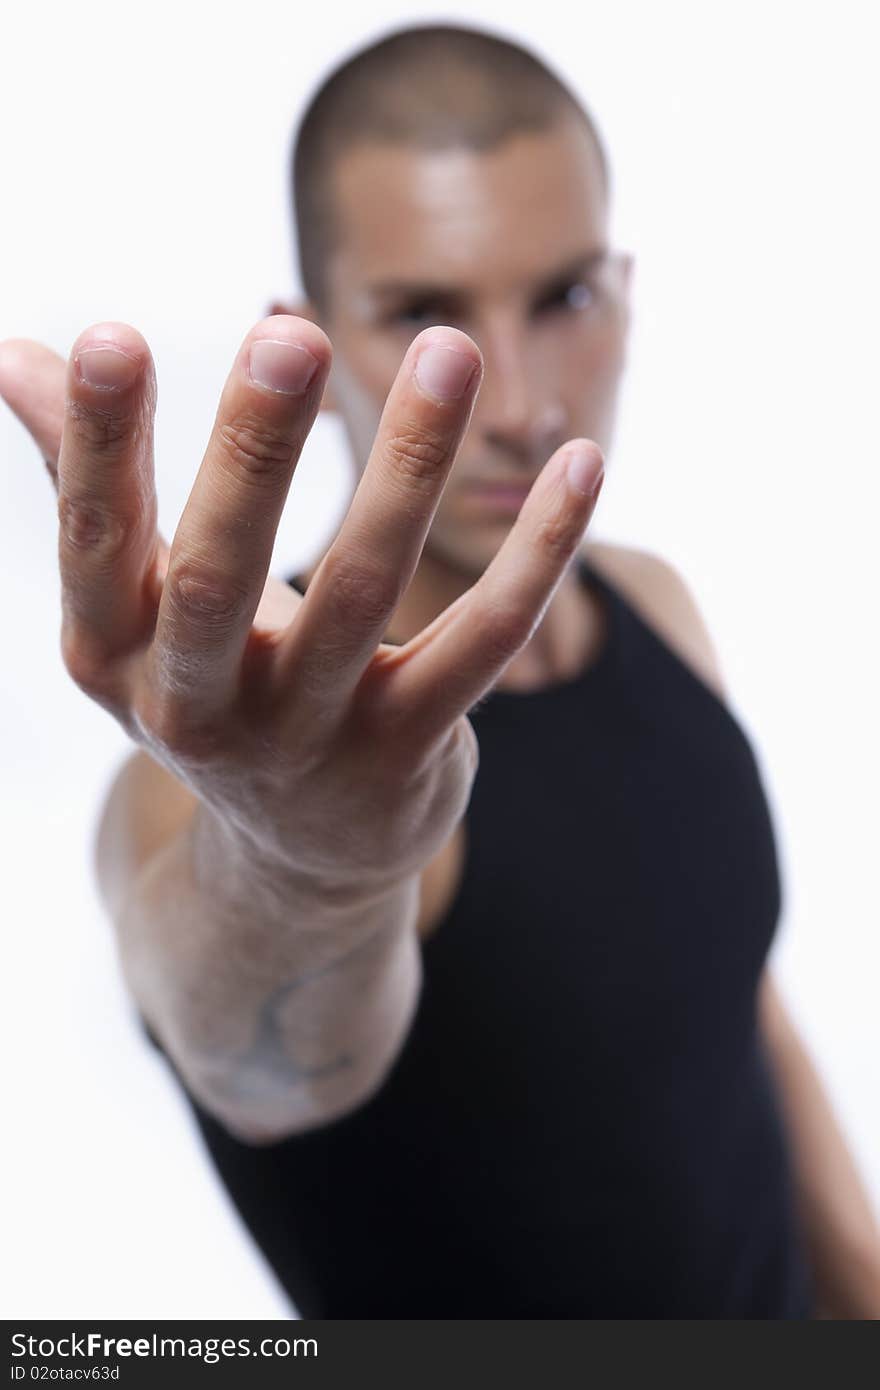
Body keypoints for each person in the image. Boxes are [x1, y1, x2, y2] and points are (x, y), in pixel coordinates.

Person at [1, 21, 878, 1320]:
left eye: (565, 296)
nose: (519, 400)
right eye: (424, 316)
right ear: (303, 336)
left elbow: (737, 1021)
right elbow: (249, 1055)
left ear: (628, 296)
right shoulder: (231, 777)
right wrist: (309, 862)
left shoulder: (656, 605)